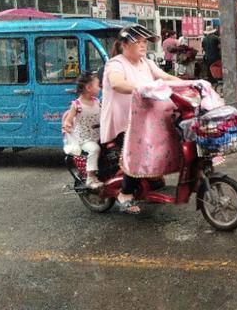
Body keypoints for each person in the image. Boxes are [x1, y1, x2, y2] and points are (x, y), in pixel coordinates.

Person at [100, 24, 180, 214]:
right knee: (137, 151)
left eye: (145, 42)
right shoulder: (116, 64)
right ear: (124, 45)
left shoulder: (146, 63)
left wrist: (192, 84)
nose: (144, 46)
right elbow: (117, 83)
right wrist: (145, 87)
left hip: (144, 119)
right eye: (139, 42)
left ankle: (150, 179)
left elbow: (165, 77)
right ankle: (125, 193)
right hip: (122, 123)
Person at [62, 72, 102, 190]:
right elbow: (68, 120)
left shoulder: (97, 101)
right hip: (85, 139)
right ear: (88, 88)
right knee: (95, 149)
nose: (99, 88)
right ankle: (90, 178)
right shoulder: (77, 105)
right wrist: (67, 126)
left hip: (98, 135)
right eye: (97, 85)